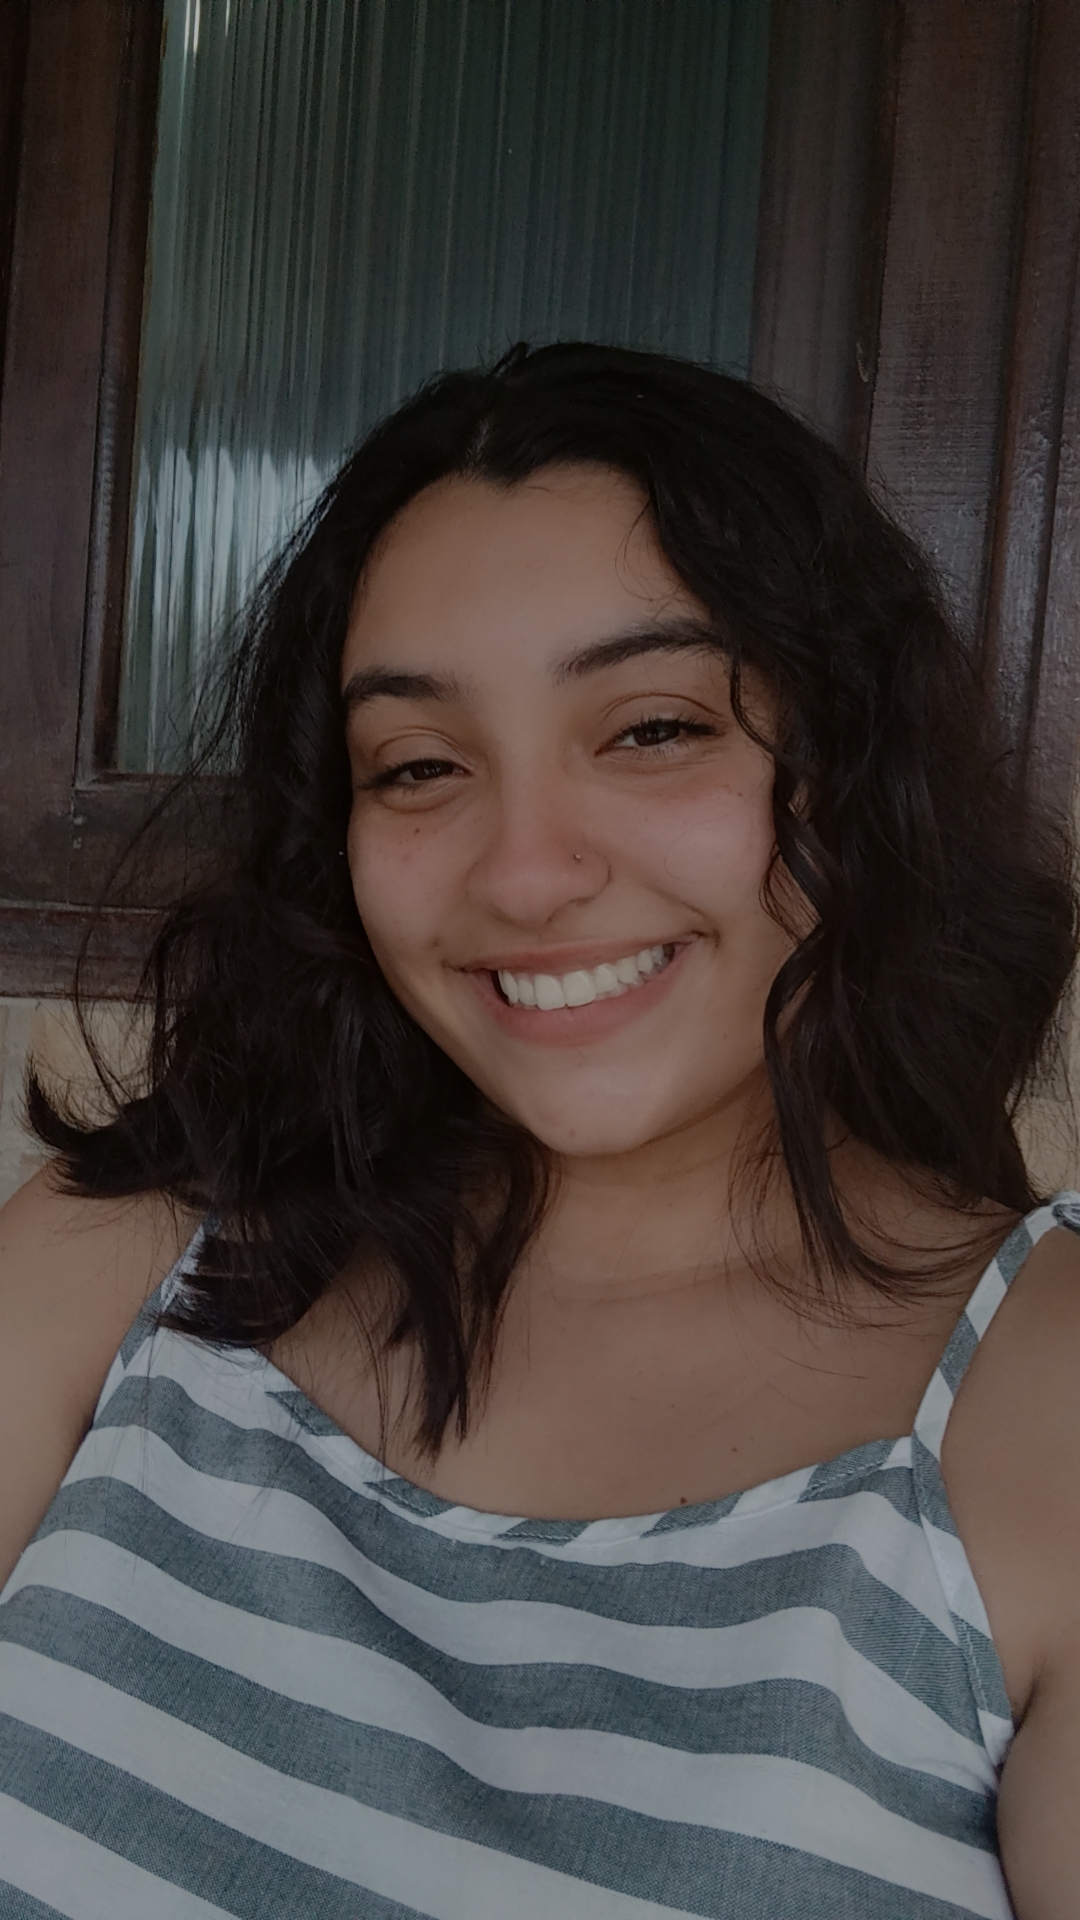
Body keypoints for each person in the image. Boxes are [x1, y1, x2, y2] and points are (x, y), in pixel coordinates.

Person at [0, 342, 1077, 1919]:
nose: (522, 873)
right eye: (420, 764)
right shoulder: (133, 1252)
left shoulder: (1040, 1408)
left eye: (654, 729)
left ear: (853, 766)